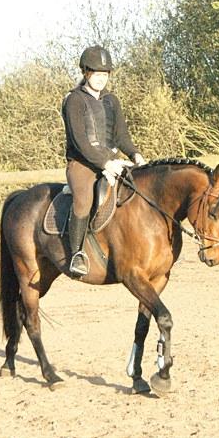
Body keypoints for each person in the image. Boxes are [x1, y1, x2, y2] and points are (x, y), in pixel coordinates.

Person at [61, 45, 146, 278]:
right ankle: (77, 253)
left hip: (112, 161)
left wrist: (135, 155)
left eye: (104, 74)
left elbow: (121, 136)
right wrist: (105, 163)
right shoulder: (74, 100)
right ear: (85, 73)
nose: (101, 79)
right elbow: (81, 142)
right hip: (82, 165)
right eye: (96, 74)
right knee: (84, 199)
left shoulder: (111, 101)